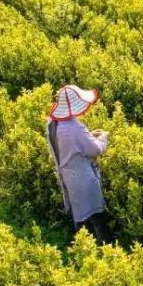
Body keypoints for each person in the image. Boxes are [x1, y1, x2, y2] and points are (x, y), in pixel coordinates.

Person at [45, 84, 111, 244]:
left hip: (68, 178)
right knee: (97, 218)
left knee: (79, 219)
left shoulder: (52, 124)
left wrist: (88, 135)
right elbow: (95, 149)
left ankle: (82, 251)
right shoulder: (74, 127)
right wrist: (103, 137)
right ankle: (105, 252)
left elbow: (72, 146)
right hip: (84, 179)